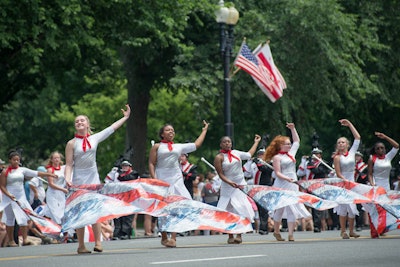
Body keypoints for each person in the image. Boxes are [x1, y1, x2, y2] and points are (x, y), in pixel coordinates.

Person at [65, 104, 131, 254]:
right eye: (77, 122)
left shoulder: (94, 138)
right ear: (75, 126)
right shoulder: (71, 143)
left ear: (87, 124)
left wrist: (125, 117)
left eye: (82, 121)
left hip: (93, 178)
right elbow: (69, 164)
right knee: (80, 212)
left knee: (96, 210)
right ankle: (81, 245)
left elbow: (111, 128)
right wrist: (68, 179)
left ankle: (98, 242)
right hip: (79, 181)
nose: (80, 123)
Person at [148, 120, 209, 248]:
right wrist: (154, 179)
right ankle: (164, 235)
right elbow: (151, 163)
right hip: (162, 179)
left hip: (176, 179)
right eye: (168, 130)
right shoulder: (157, 147)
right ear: (162, 134)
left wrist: (204, 130)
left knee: (178, 206)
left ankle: (174, 238)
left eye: (172, 130)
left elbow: (196, 145)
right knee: (163, 209)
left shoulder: (178, 147)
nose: (171, 132)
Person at [263, 123, 311, 242]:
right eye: (286, 144)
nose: (289, 145)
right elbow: (277, 173)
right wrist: (287, 178)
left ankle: (290, 234)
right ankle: (276, 231)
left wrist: (293, 128)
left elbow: (297, 141)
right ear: (280, 145)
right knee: (279, 209)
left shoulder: (291, 154)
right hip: (282, 184)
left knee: (291, 208)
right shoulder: (277, 157)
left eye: (289, 144)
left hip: (292, 183)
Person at [0, 151, 57, 247]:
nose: (16, 161)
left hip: (21, 197)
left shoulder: (22, 170)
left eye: (18, 160)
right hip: (9, 198)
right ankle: (11, 240)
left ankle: (25, 239)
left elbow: (35, 173)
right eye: (14, 160)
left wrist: (49, 175)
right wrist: (9, 195)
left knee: (25, 218)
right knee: (10, 219)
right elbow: (2, 186)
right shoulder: (5, 172)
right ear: (10, 160)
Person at [214, 134, 261, 244]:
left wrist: (256, 142)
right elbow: (220, 174)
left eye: (229, 142)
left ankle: (239, 234)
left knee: (241, 208)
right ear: (221, 144)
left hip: (240, 185)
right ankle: (230, 235)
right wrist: (230, 182)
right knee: (228, 210)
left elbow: (249, 154)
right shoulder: (219, 157)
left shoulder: (237, 153)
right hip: (227, 186)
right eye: (225, 142)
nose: (227, 143)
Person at [332, 119, 361, 239]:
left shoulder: (352, 153)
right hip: (343, 182)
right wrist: (345, 181)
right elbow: (338, 173)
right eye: (339, 142)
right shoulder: (337, 157)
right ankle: (343, 231)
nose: (341, 144)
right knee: (343, 207)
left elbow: (358, 137)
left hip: (352, 182)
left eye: (343, 142)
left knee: (352, 207)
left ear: (347, 144)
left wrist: (349, 124)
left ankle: (352, 230)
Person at [366, 132, 399, 238]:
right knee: (375, 209)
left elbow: (396, 146)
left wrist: (385, 137)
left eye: (382, 148)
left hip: (386, 186)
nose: (381, 150)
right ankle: (374, 231)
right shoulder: (372, 159)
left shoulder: (388, 157)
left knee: (385, 208)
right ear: (375, 150)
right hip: (376, 185)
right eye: (378, 148)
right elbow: (370, 174)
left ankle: (382, 228)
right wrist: (373, 184)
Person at [243, 148, 274, 235]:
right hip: (256, 189)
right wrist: (249, 162)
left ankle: (263, 228)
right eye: (259, 154)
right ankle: (262, 227)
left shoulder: (269, 163)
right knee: (259, 209)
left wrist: (258, 162)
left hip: (265, 188)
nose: (261, 156)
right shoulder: (254, 165)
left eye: (263, 154)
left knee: (264, 208)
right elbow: (246, 173)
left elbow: (263, 169)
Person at [112, 160, 138, 240]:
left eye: (126, 166)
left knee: (128, 217)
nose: (125, 167)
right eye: (123, 166)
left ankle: (126, 233)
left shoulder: (134, 173)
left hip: (131, 198)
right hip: (120, 198)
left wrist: (121, 174)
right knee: (119, 216)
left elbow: (127, 178)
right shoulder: (118, 174)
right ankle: (118, 233)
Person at [354, 151, 368, 232]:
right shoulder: (352, 165)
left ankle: (360, 224)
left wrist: (358, 171)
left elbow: (364, 177)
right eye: (355, 156)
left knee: (360, 207)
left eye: (358, 156)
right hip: (353, 188)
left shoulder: (364, 166)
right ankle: (357, 223)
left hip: (361, 188)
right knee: (355, 207)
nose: (356, 158)